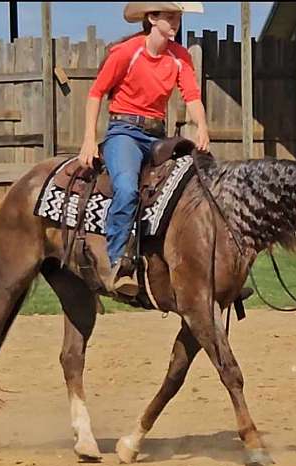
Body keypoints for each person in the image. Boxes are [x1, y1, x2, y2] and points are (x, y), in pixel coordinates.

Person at [78, 2, 210, 297]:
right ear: (152, 18)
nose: (176, 22)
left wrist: (201, 126)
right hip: (124, 132)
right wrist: (89, 139)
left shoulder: (180, 56)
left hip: (159, 136)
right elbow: (96, 93)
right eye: (171, 17)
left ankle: (205, 270)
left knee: (199, 185)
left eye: (178, 17)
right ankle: (117, 264)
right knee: (126, 188)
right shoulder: (128, 52)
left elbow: (191, 95)